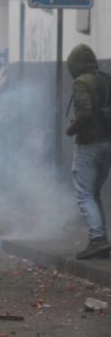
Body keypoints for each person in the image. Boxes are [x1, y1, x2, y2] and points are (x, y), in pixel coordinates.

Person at [65, 44, 111, 259]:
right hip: (107, 142)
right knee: (94, 193)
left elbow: (85, 111)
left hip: (89, 143)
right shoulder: (105, 78)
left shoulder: (81, 81)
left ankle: (97, 238)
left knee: (84, 193)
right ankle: (101, 239)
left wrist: (71, 129)